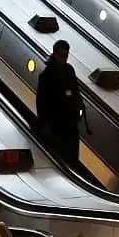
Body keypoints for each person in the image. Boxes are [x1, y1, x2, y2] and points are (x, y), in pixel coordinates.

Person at [35, 39, 84, 167]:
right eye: (61, 55)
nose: (64, 58)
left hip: (69, 122)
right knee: (61, 156)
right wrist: (45, 124)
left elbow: (75, 91)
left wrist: (79, 109)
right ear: (55, 54)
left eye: (66, 55)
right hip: (56, 124)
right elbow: (42, 102)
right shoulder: (46, 75)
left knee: (72, 155)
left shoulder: (69, 70)